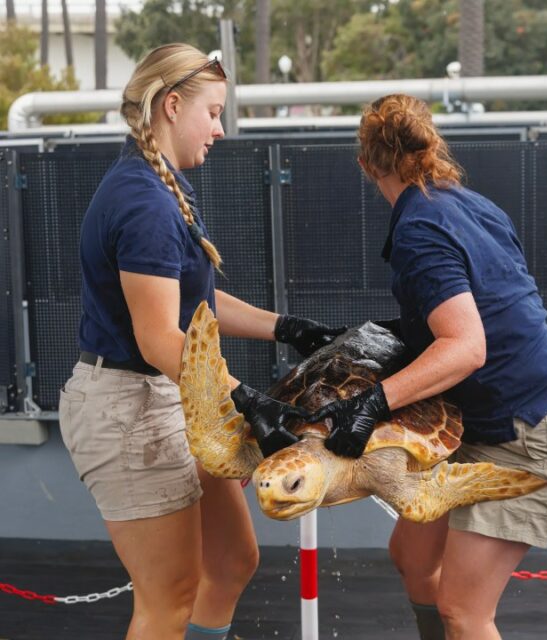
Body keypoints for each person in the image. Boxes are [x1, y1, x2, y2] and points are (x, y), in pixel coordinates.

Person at [58, 43, 344, 640]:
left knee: (233, 561)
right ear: (170, 106)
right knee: (168, 598)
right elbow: (162, 338)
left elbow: (195, 311)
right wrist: (249, 401)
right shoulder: (142, 202)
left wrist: (284, 327)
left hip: (173, 397)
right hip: (129, 410)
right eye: (213, 112)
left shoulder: (164, 187)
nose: (218, 129)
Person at [310, 94, 547, 640]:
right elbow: (491, 307)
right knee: (413, 556)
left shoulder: (419, 228)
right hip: (479, 423)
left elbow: (466, 347)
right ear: (429, 148)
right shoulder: (468, 203)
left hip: (525, 429)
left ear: (366, 166)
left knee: (463, 609)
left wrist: (372, 402)